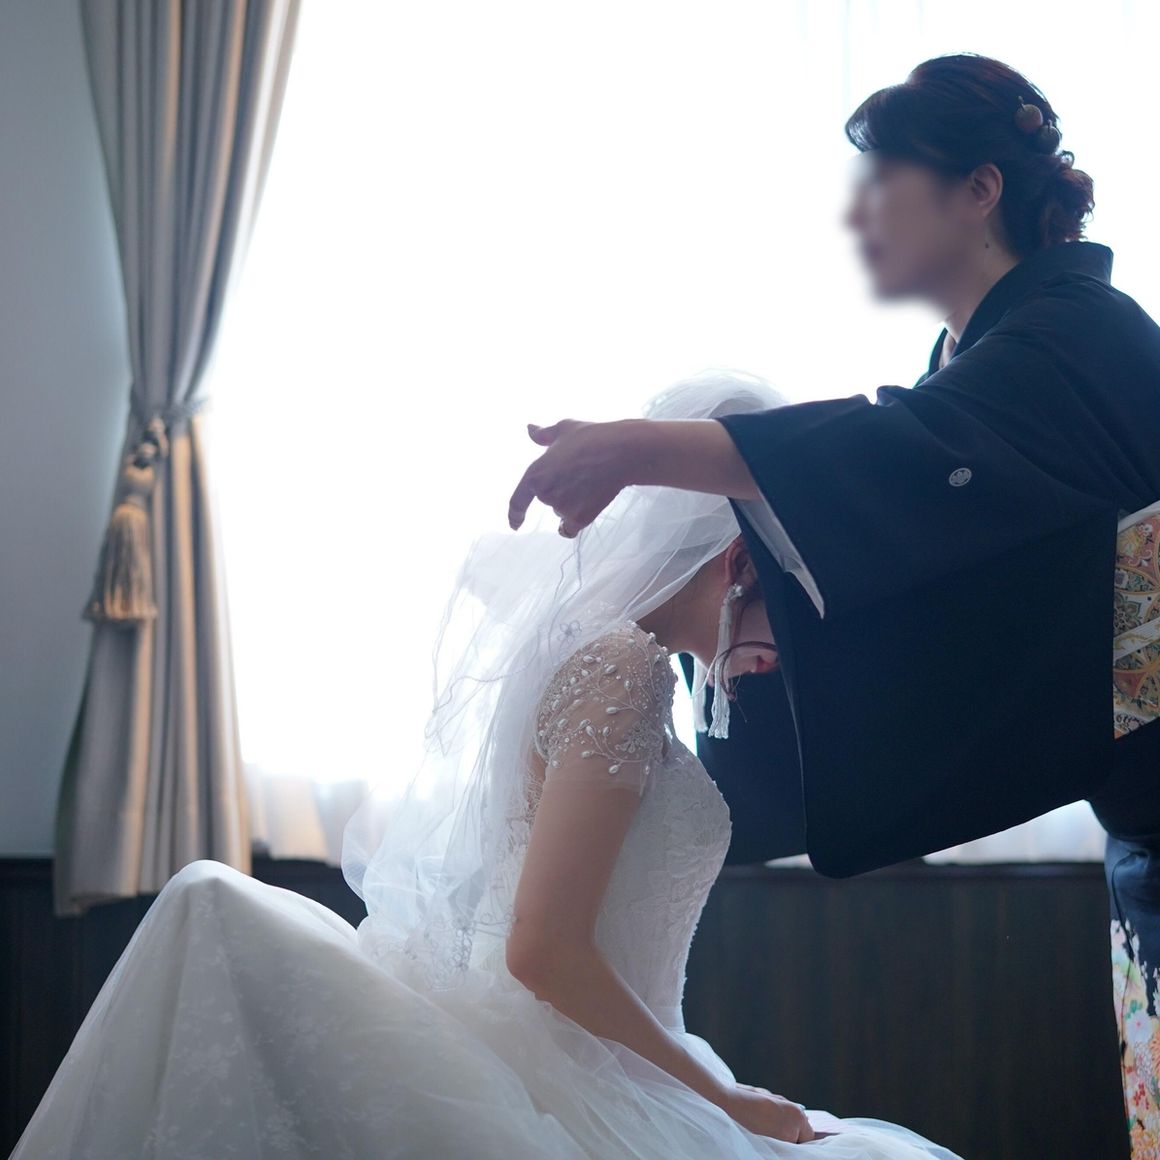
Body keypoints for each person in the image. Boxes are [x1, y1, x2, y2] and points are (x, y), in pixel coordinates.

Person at [11, 373, 964, 1158]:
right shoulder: (620, 669)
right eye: (792, 612)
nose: (788, 653)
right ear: (737, 568)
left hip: (616, 1065)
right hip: (575, 1078)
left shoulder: (605, 655)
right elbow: (543, 950)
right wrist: (722, 1098)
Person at [506, 53, 1160, 1157]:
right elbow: (927, 578)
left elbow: (900, 454)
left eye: (883, 181)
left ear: (979, 189)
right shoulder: (972, 358)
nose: (857, 215)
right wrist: (767, 651)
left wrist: (640, 448)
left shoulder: (1078, 328)